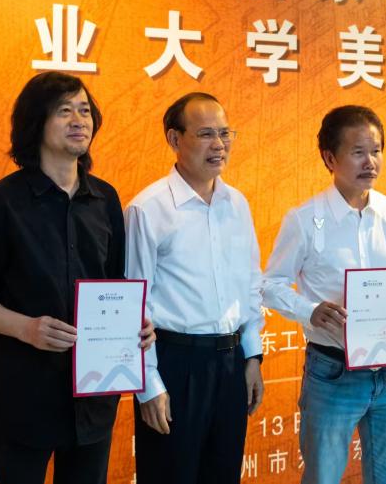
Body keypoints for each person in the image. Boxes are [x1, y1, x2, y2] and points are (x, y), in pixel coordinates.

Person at [0, 71, 154, 484]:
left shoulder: (105, 199)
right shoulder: (0, 203)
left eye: (85, 111)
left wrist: (136, 326)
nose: (79, 120)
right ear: (35, 123)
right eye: (64, 111)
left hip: (95, 392)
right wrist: (26, 328)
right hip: (26, 394)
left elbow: (115, 283)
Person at [263, 105, 386, 484]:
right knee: (322, 478)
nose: (370, 162)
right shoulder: (304, 219)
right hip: (332, 373)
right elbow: (270, 285)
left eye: (376, 150)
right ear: (330, 158)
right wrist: (310, 310)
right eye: (358, 152)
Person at [124, 92, 265, 484]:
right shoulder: (147, 209)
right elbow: (133, 306)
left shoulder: (237, 204)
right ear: (174, 139)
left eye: (225, 133)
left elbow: (250, 285)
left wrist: (252, 356)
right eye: (205, 134)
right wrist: (148, 385)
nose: (219, 145)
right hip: (174, 364)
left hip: (231, 363)